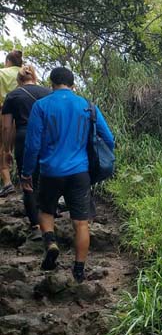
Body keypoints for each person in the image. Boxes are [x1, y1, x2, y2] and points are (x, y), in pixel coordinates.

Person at [21, 67, 114, 283]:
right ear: (72, 84)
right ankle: (79, 270)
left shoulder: (41, 106)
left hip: (50, 171)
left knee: (46, 211)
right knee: (81, 223)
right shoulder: (87, 106)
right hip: (80, 172)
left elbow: (32, 144)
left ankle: (51, 243)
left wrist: (26, 173)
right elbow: (108, 138)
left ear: (51, 83)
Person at [2, 65, 51, 231]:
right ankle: (49, 218)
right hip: (45, 137)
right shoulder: (47, 93)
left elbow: (7, 127)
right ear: (34, 77)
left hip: (23, 137)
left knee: (27, 178)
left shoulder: (12, 96)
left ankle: (35, 223)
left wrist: (7, 149)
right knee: (46, 176)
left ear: (18, 80)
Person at [0, 49, 23, 196]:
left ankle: (7, 182)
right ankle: (25, 182)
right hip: (21, 116)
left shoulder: (1, 73)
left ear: (8, 61)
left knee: (2, 148)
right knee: (20, 148)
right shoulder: (25, 73)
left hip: (2, 112)